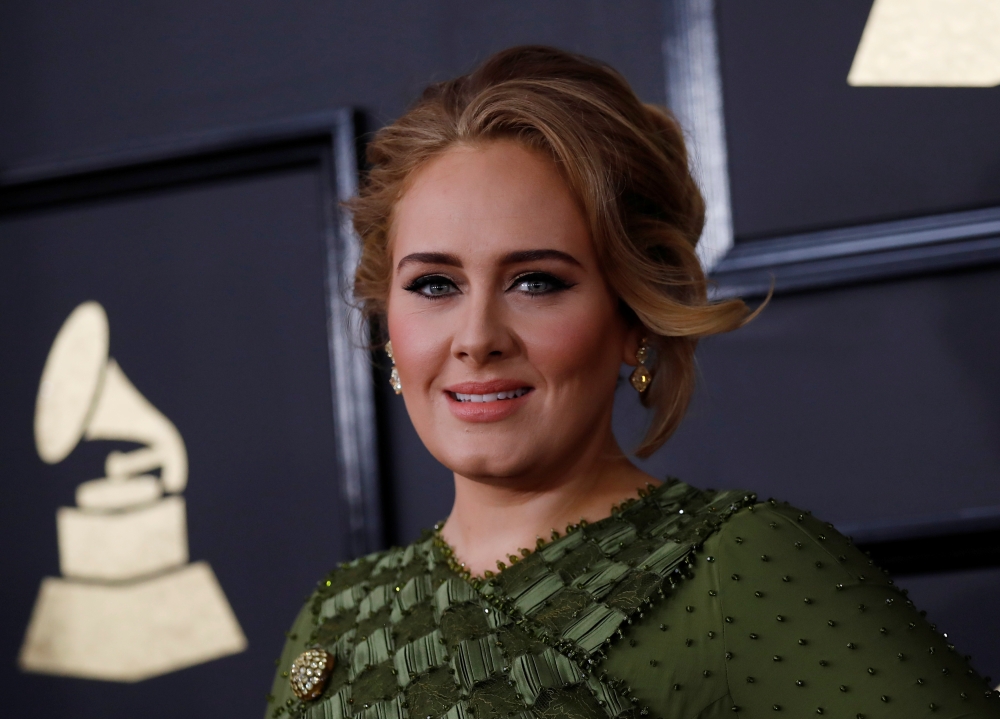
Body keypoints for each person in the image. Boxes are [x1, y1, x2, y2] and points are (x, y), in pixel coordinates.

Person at [266, 46, 999, 719]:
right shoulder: (335, 619)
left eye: (535, 281)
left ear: (633, 317)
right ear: (386, 317)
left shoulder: (738, 567)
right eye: (433, 284)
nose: (477, 337)